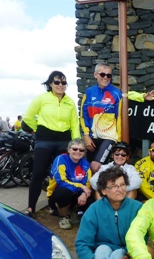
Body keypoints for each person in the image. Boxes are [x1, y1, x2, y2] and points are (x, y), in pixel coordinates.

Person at [23, 71, 81, 218]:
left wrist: (76, 143)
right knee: (38, 173)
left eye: (63, 82)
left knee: (62, 175)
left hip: (64, 141)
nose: (60, 85)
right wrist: (39, 129)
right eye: (57, 82)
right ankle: (31, 208)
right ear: (50, 84)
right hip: (45, 140)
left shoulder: (70, 102)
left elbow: (74, 124)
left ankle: (57, 206)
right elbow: (28, 118)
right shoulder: (42, 99)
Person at [80, 62, 123, 173]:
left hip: (109, 137)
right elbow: (83, 115)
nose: (106, 77)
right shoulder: (89, 92)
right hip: (92, 136)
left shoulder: (116, 93)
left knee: (95, 166)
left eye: (109, 75)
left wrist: (119, 138)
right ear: (95, 75)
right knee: (89, 168)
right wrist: (86, 135)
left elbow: (120, 117)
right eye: (102, 74)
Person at [47, 139, 94, 230]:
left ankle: (73, 210)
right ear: (68, 150)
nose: (78, 152)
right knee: (64, 193)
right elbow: (61, 181)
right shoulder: (60, 159)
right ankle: (63, 216)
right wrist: (81, 186)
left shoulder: (85, 164)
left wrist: (84, 194)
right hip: (57, 194)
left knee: (91, 199)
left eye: (81, 150)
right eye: (74, 149)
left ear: (84, 152)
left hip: (76, 194)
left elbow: (87, 184)